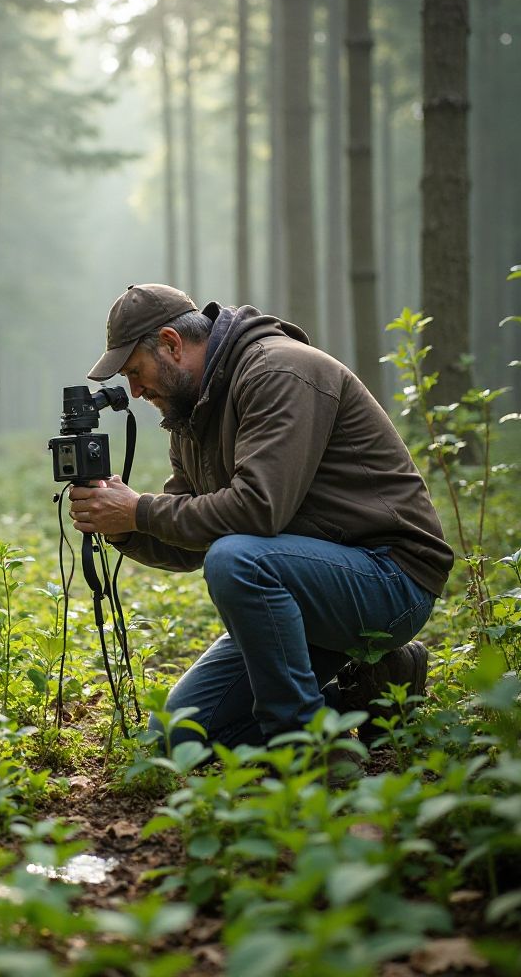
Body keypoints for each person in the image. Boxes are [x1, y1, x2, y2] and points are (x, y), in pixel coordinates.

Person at [69, 284, 453, 761]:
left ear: (171, 343)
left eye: (136, 372)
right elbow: (191, 543)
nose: (136, 390)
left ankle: (308, 747)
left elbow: (257, 510)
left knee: (238, 559)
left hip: (389, 578)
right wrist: (122, 527)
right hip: (300, 588)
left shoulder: (278, 371)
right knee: (177, 738)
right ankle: (369, 695)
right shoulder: (190, 414)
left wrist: (139, 510)